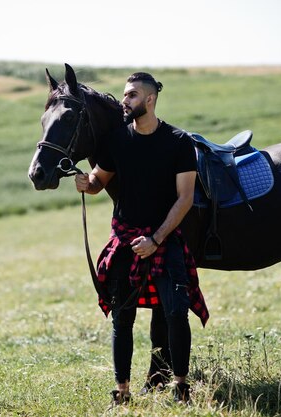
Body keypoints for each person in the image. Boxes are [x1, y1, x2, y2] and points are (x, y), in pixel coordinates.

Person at [74, 72, 209, 405]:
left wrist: (157, 239)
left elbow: (185, 198)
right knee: (123, 319)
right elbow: (97, 182)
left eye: (132, 95)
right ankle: (121, 391)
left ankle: (180, 387)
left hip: (165, 240)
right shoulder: (116, 141)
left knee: (176, 312)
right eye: (124, 94)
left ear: (150, 99)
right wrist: (85, 184)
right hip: (125, 240)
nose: (125, 100)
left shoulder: (178, 142)